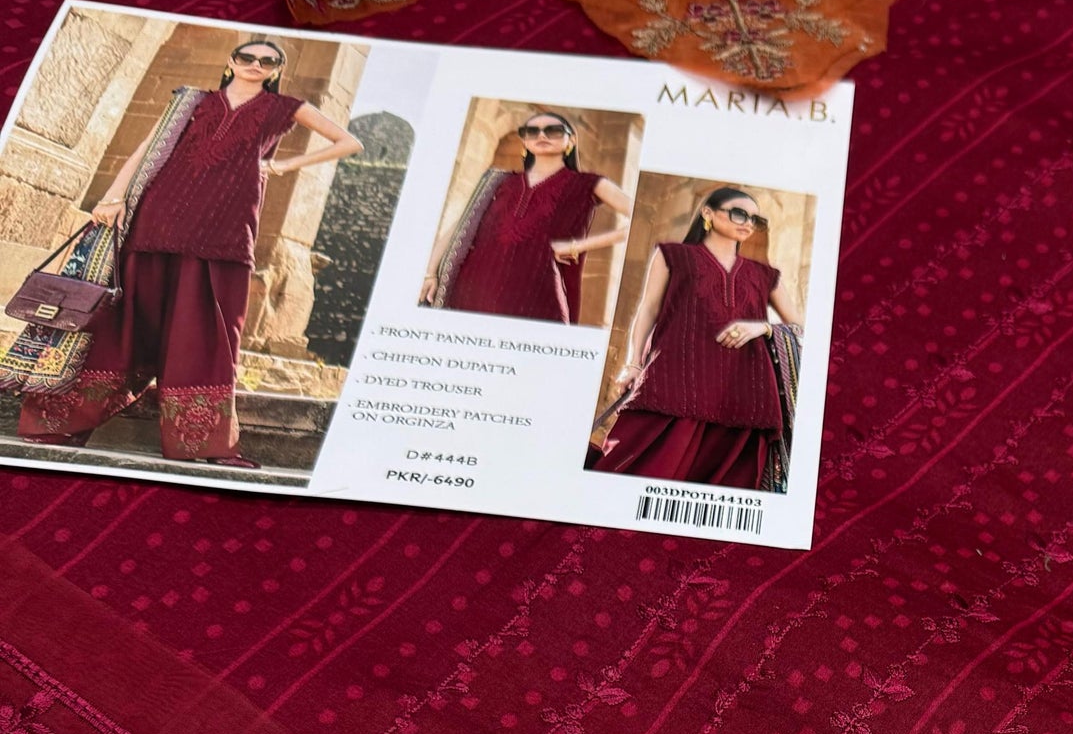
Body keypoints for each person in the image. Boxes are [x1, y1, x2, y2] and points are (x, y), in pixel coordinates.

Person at [17, 37, 360, 467]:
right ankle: (62, 424)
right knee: (127, 322)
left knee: (211, 333)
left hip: (225, 230)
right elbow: (144, 151)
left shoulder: (284, 107)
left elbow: (348, 142)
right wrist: (113, 197)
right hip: (158, 218)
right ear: (231, 61)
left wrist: (281, 165)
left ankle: (205, 444)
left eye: (268, 61)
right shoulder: (191, 101)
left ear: (276, 70)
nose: (256, 64)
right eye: (247, 57)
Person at [589, 186, 803, 487]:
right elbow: (648, 310)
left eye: (754, 219)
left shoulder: (766, 275)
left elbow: (801, 329)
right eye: (739, 213)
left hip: (743, 393)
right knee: (633, 471)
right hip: (674, 383)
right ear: (707, 213)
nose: (747, 223)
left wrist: (763, 328)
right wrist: (633, 363)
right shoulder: (673, 256)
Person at [422, 111, 629, 322]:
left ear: (572, 140)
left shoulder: (589, 184)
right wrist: (430, 273)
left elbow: (636, 222)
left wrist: (575, 246)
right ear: (524, 141)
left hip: (535, 298)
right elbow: (461, 225)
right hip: (469, 290)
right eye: (532, 131)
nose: (542, 135)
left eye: (553, 131)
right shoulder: (501, 181)